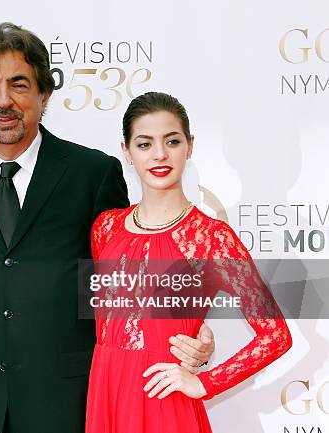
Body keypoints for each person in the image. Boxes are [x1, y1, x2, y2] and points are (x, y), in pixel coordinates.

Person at [0, 23, 215, 433]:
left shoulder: (92, 173)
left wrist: (192, 338)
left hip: (68, 399)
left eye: (19, 85)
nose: (3, 100)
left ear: (44, 94)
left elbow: (128, 281)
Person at [86, 92, 293, 432]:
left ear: (189, 146)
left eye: (172, 141)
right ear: (126, 150)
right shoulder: (105, 228)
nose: (160, 155)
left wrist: (205, 382)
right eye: (144, 144)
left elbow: (275, 335)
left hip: (165, 400)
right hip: (106, 395)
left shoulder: (211, 237)